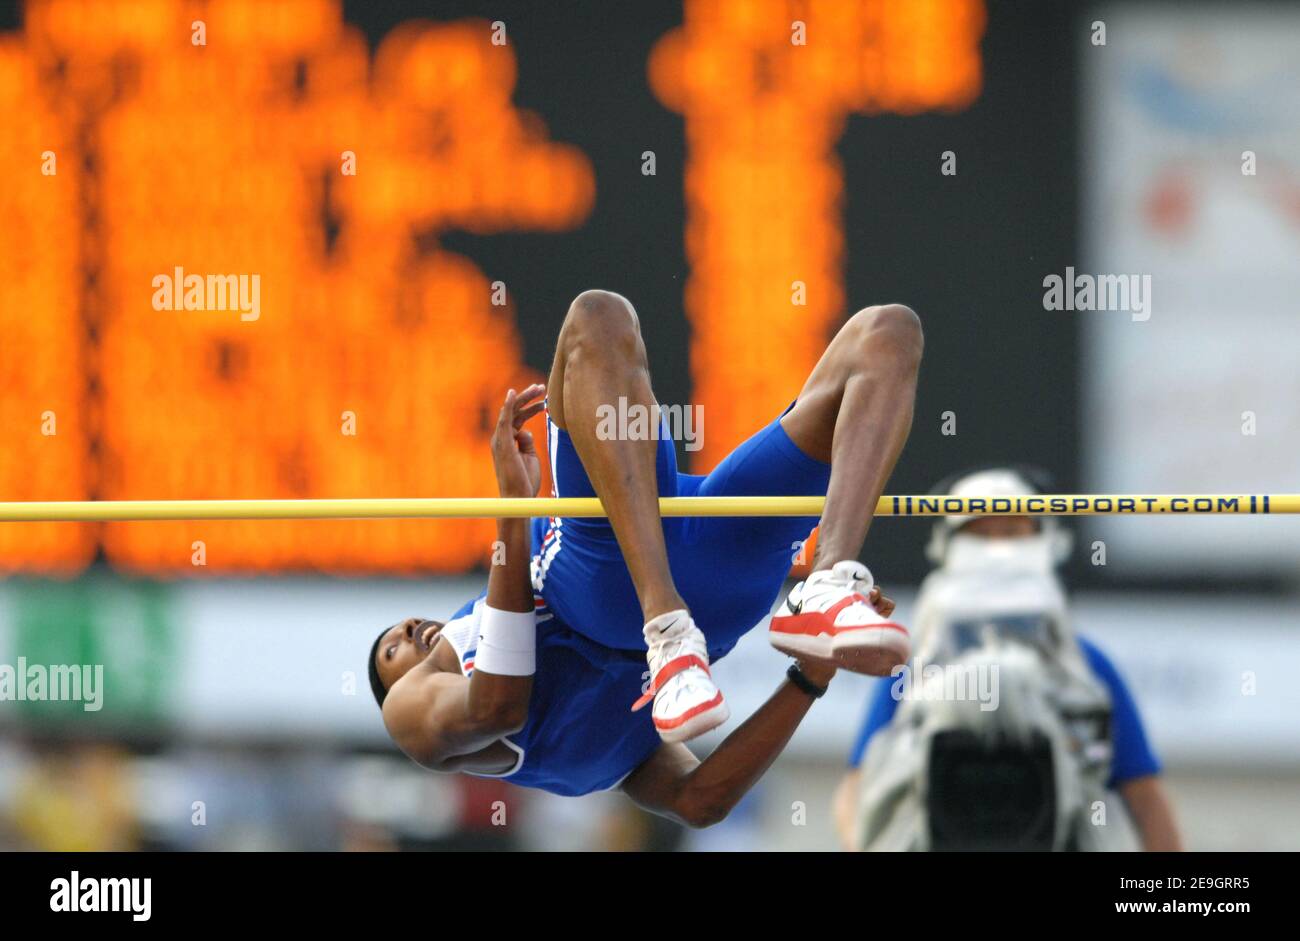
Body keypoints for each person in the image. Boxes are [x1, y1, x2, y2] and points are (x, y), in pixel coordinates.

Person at [368, 289, 922, 824]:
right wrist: (808, 680)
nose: (409, 629)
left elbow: (698, 801)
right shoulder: (420, 715)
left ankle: (830, 581)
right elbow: (697, 798)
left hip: (700, 533)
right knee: (593, 317)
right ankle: (665, 625)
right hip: (610, 575)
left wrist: (813, 668)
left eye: (399, 625)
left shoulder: (612, 741)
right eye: (391, 651)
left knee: (887, 333)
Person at [832, 466, 1183, 850]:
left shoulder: (1087, 664)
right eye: (980, 531)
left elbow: (1145, 798)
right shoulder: (913, 663)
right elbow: (859, 787)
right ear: (946, 545)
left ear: (1046, 539)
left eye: (1013, 530)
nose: (997, 546)